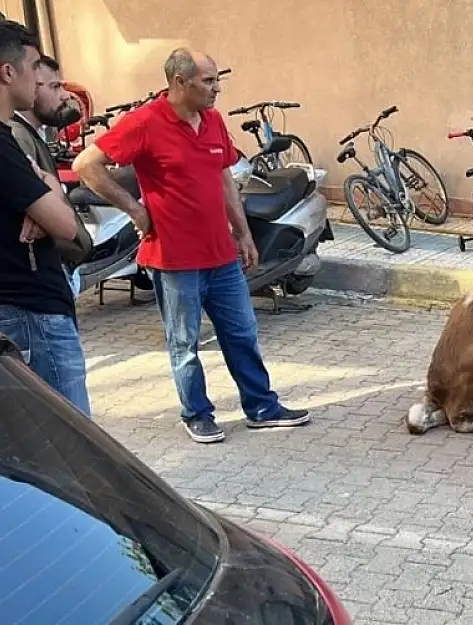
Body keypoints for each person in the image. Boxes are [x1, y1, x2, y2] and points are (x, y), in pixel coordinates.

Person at [73, 47, 310, 444]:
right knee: (184, 343)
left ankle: (261, 407)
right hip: (174, 259)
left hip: (221, 255)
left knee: (242, 334)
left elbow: (223, 180)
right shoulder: (145, 122)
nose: (217, 89)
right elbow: (85, 165)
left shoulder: (213, 121)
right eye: (208, 82)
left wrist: (244, 234)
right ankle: (196, 413)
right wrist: (135, 209)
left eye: (217, 81)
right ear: (179, 82)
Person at [0, 19, 91, 415]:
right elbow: (66, 225)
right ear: (8, 72)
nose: (40, 80)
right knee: (75, 448)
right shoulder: (5, 146)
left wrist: (40, 194)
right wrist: (47, 188)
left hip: (26, 310)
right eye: (35, 68)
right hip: (32, 315)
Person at [7, 53, 89, 296]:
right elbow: (32, 204)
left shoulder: (30, 133)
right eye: (54, 87)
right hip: (42, 272)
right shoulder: (17, 134)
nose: (64, 95)